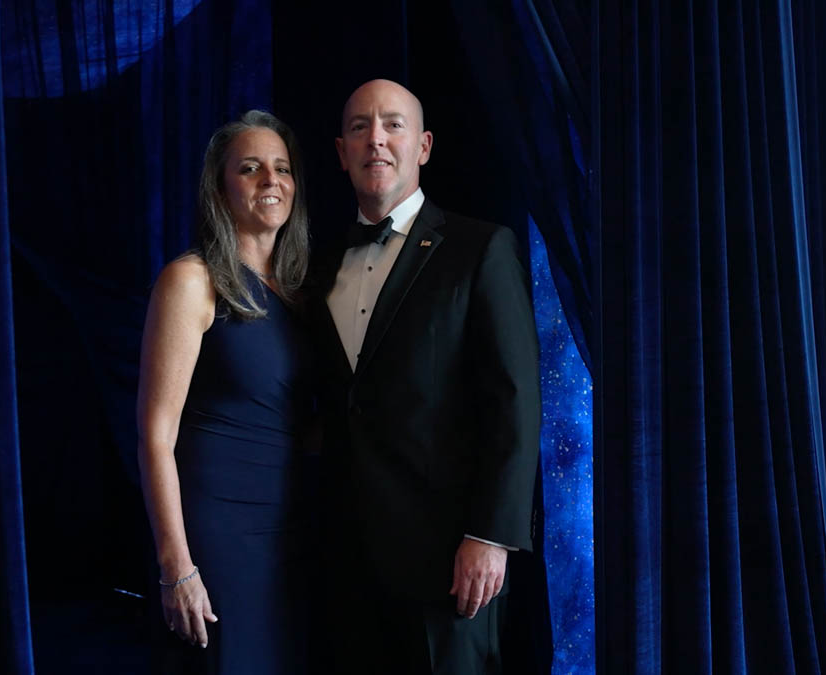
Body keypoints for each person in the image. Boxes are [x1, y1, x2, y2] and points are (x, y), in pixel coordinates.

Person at [311, 79, 541, 673]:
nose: (376, 139)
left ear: (424, 146)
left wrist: (491, 536)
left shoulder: (481, 248)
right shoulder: (316, 264)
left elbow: (514, 401)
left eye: (393, 124)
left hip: (449, 562)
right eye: (359, 127)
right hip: (343, 563)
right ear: (341, 152)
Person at [136, 110, 312, 674]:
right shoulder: (192, 280)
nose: (271, 180)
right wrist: (176, 566)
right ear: (219, 188)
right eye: (250, 168)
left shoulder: (299, 293)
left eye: (282, 168)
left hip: (294, 538)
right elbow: (155, 436)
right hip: (220, 537)